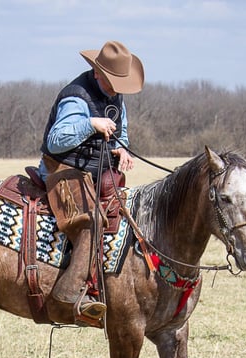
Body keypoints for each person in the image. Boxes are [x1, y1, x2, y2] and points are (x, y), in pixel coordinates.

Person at [38, 40, 144, 325]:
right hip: (63, 169)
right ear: (98, 73)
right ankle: (70, 294)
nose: (117, 89)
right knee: (92, 220)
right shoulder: (76, 97)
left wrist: (122, 149)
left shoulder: (116, 97)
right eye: (113, 82)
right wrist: (90, 124)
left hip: (98, 172)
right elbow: (56, 141)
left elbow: (122, 133)